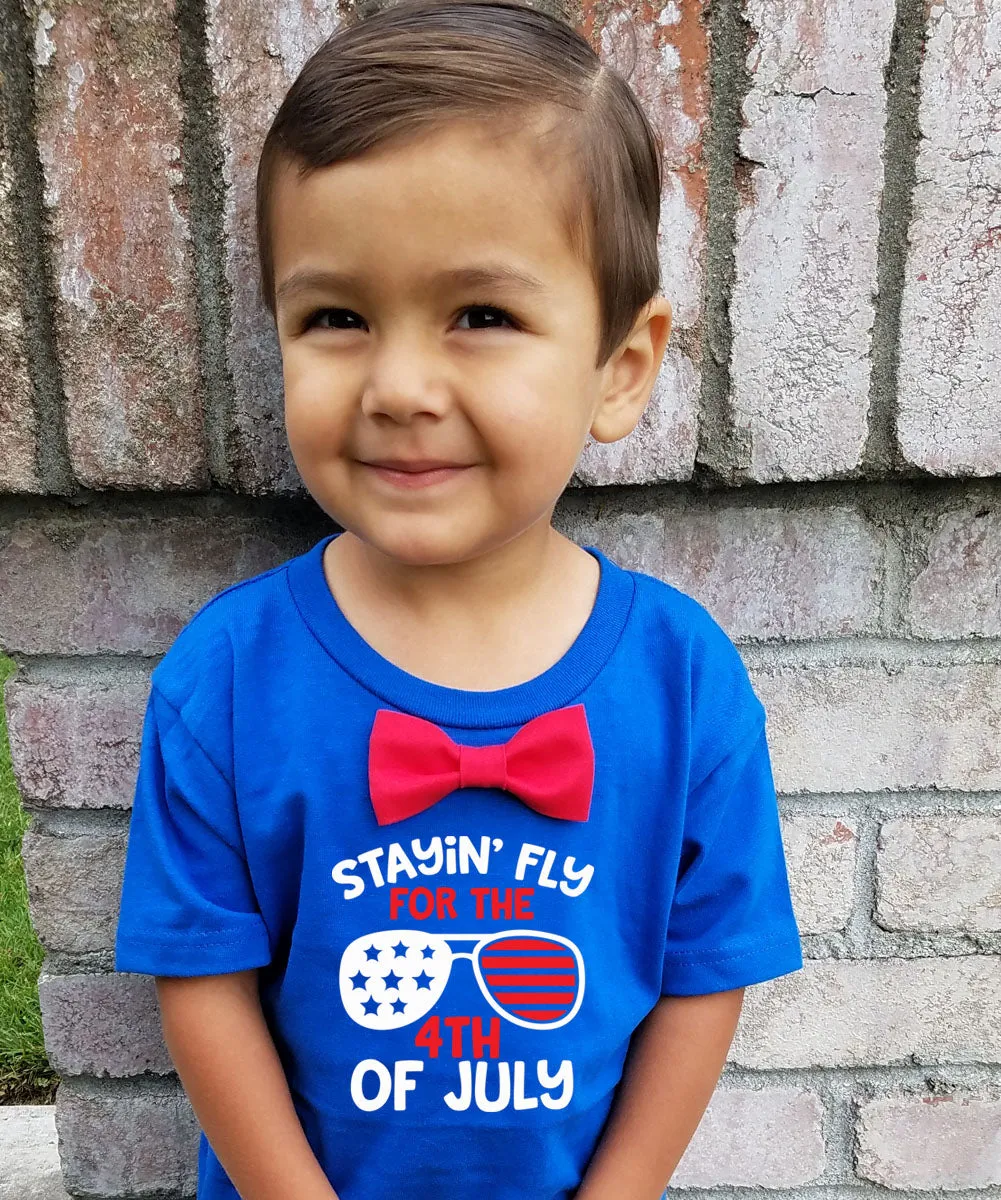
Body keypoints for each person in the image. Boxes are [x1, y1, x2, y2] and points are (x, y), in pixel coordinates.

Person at [114, 2, 804, 1197]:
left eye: (481, 316)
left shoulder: (682, 681)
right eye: (336, 317)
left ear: (618, 368)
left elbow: (706, 974)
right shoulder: (226, 676)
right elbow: (201, 983)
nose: (397, 385)